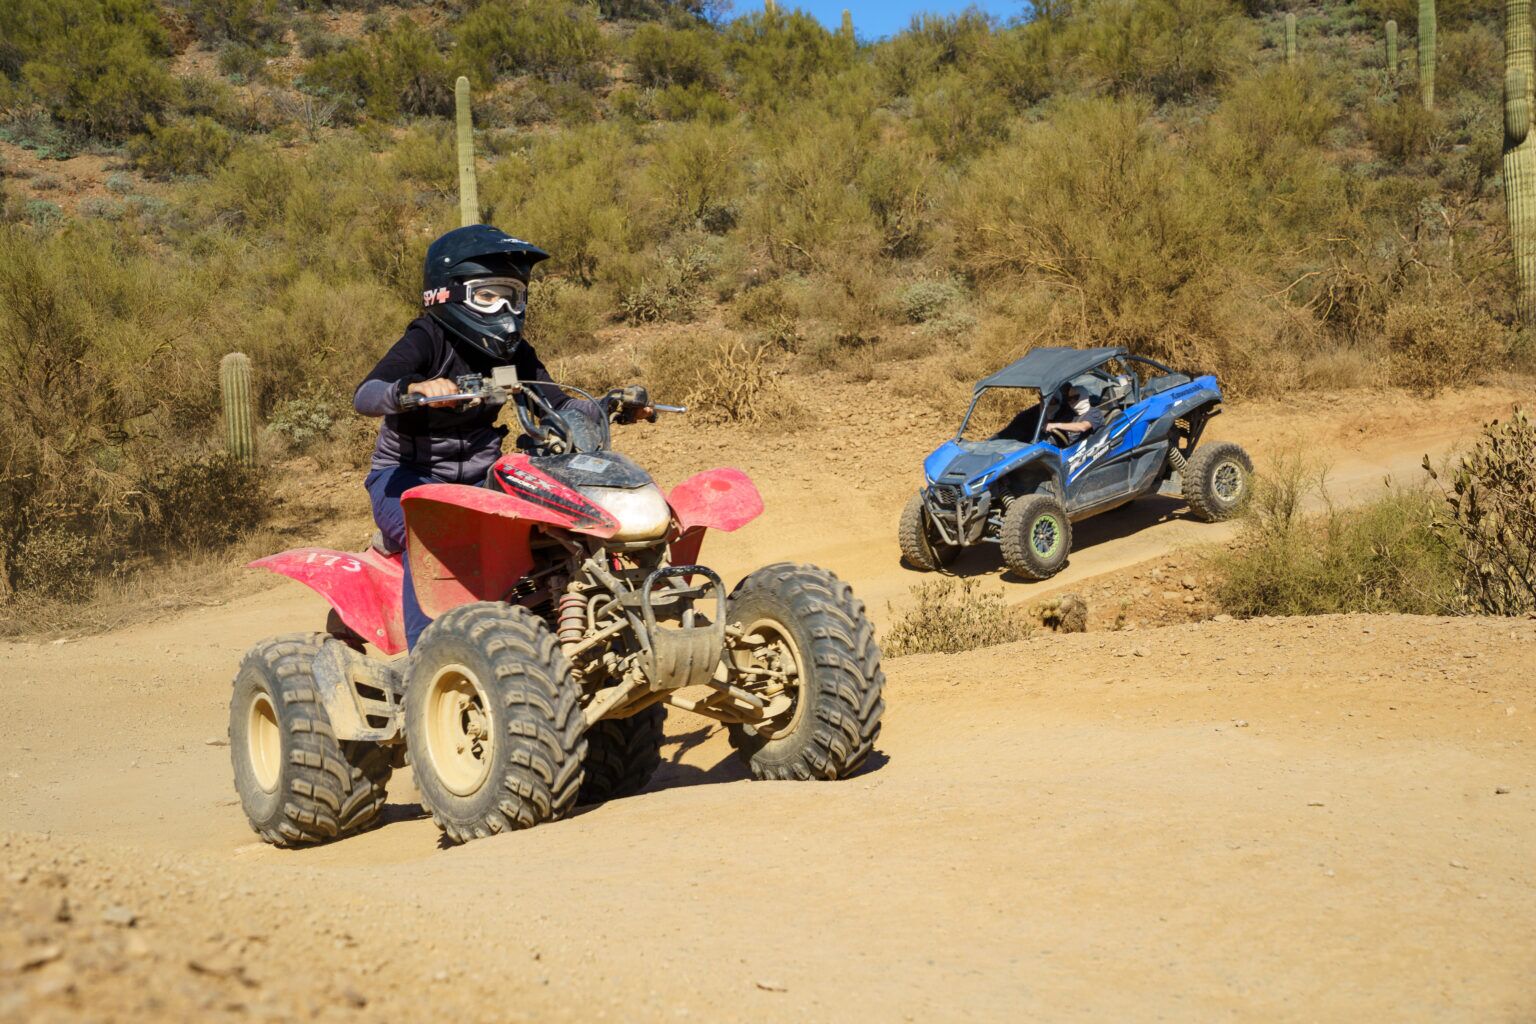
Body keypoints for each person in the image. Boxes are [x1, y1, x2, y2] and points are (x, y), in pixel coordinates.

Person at [353, 224, 605, 650]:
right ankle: (428, 659)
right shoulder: (428, 338)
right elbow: (365, 395)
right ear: (449, 294)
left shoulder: (514, 352)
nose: (506, 307)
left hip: (481, 482)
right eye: (489, 295)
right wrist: (411, 391)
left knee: (552, 526)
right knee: (436, 534)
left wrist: (608, 405)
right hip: (407, 482)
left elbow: (557, 403)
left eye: (514, 295)